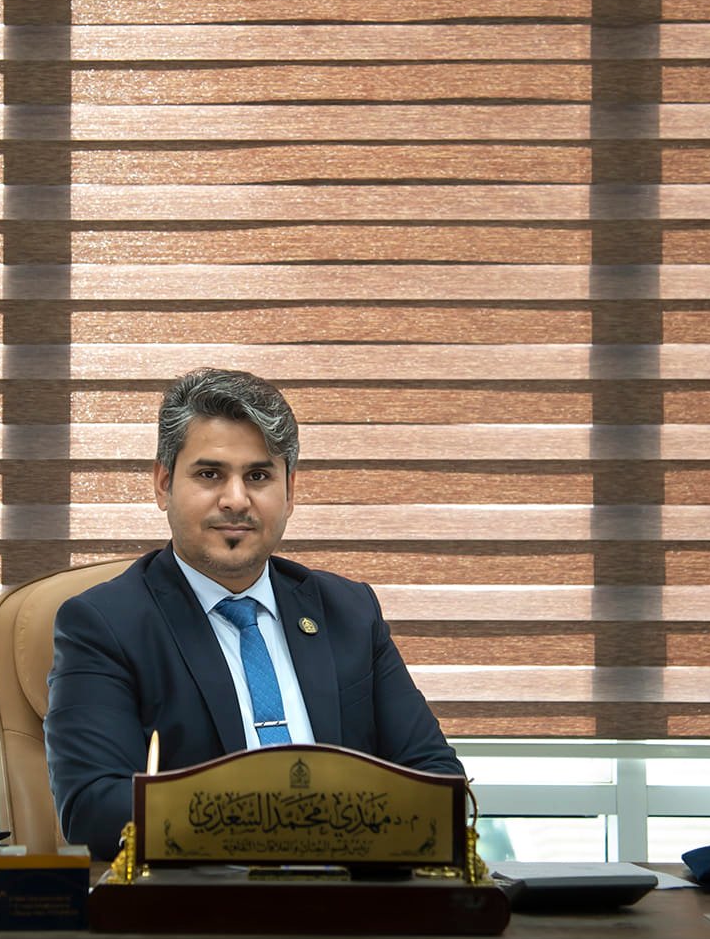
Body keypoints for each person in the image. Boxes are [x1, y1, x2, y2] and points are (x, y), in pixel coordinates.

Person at [43, 367, 463, 859]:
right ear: (163, 484)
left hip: (349, 898)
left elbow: (439, 783)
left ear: (290, 491)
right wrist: (289, 821)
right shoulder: (104, 625)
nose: (236, 500)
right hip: (205, 901)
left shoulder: (349, 612)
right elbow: (94, 810)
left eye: (258, 476)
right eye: (209, 474)